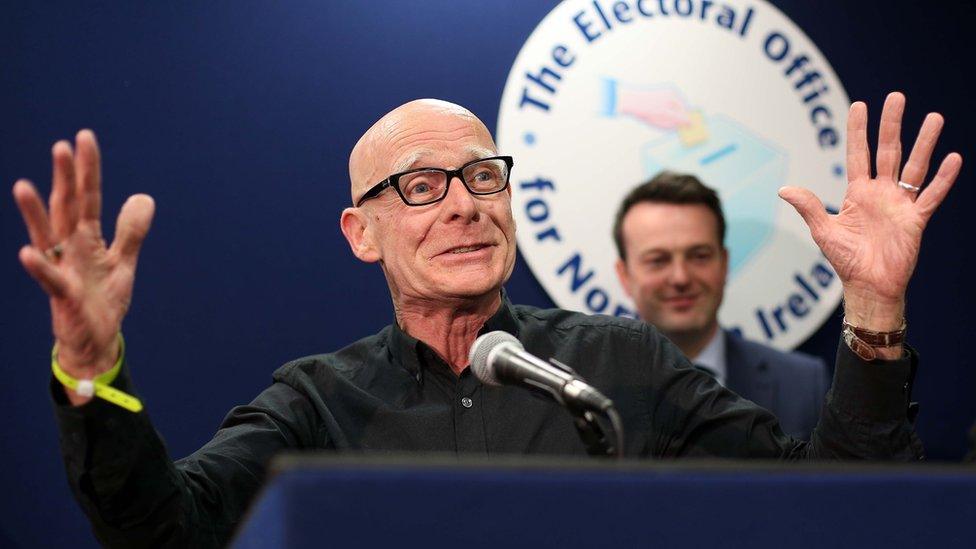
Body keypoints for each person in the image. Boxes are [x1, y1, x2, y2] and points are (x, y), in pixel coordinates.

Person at [11, 94, 960, 546]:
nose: (465, 203)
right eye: (422, 186)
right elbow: (159, 533)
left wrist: (873, 309)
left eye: (482, 176)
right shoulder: (316, 402)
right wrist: (90, 369)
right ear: (361, 234)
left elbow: (840, 514)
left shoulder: (620, 365)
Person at [613, 172, 829, 439]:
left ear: (724, 263)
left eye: (699, 256)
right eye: (658, 260)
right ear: (624, 275)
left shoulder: (802, 384)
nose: (680, 277)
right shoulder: (587, 388)